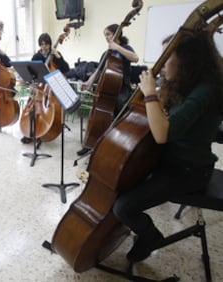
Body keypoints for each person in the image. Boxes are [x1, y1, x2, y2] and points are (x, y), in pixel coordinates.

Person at [112, 31, 223, 263]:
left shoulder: (204, 91)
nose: (161, 63)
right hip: (169, 161)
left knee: (124, 207)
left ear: (186, 60)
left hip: (189, 171)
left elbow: (163, 133)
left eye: (166, 55)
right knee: (119, 185)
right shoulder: (184, 85)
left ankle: (150, 236)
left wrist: (150, 93)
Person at [77, 24, 139, 155]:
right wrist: (88, 83)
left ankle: (114, 147)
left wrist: (117, 47)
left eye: (108, 34)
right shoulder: (106, 53)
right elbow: (98, 71)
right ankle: (90, 143)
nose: (106, 37)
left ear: (118, 34)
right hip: (107, 89)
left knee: (117, 119)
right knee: (97, 116)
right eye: (105, 35)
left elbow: (135, 58)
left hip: (122, 90)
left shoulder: (125, 48)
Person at [20, 32, 70, 144]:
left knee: (48, 108)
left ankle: (44, 129)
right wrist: (31, 84)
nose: (44, 47)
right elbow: (31, 73)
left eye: (46, 44)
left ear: (50, 44)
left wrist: (58, 57)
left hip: (50, 89)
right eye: (42, 44)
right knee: (32, 107)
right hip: (38, 87)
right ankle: (30, 132)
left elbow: (66, 69)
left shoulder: (56, 55)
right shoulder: (36, 57)